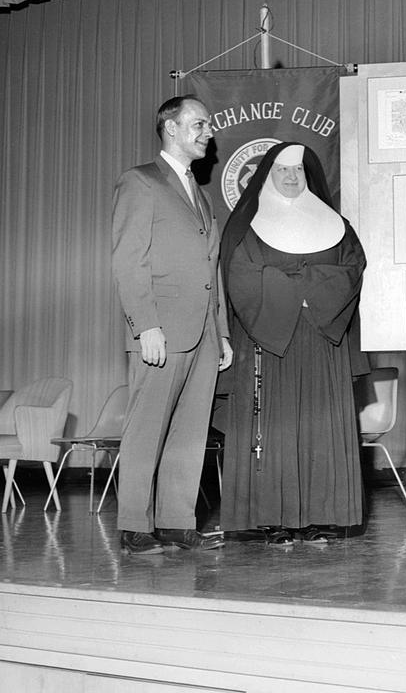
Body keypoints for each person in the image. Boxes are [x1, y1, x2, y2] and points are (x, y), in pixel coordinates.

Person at [219, 141, 367, 545]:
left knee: (320, 426)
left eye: (298, 170)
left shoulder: (336, 224)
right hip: (268, 338)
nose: (290, 177)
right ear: (266, 175)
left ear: (309, 175)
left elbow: (353, 268)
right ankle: (274, 520)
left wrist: (310, 293)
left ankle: (320, 516)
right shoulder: (245, 225)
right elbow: (239, 274)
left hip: (323, 337)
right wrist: (297, 292)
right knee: (275, 428)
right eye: (281, 170)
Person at [112, 95, 233, 555]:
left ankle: (177, 523)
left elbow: (211, 268)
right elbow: (129, 260)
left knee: (190, 430)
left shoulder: (199, 195)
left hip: (202, 333)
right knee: (146, 428)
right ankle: (134, 527)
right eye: (199, 124)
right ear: (171, 129)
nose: (209, 132)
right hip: (160, 330)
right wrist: (146, 326)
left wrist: (221, 331)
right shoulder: (140, 183)